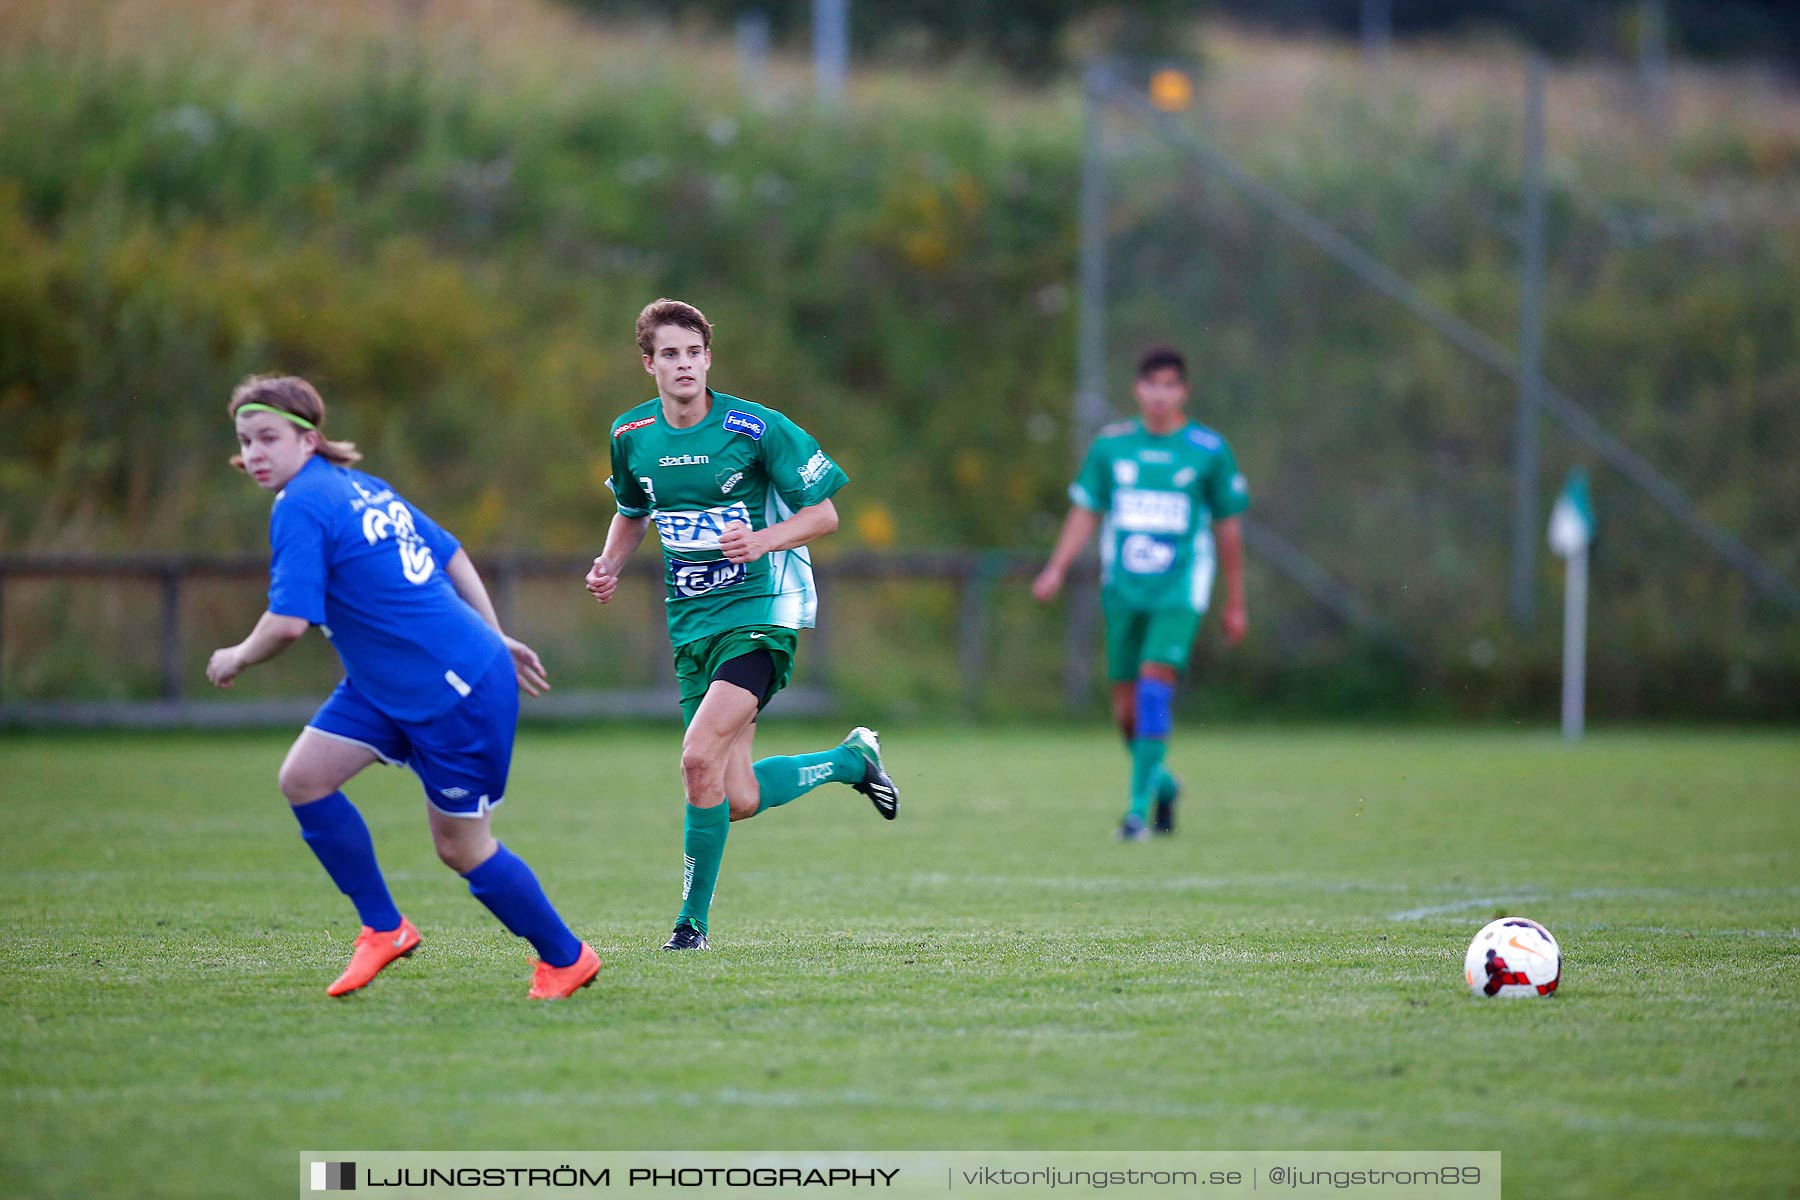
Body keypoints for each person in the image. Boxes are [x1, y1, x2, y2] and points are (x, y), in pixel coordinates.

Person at [205, 375, 599, 999]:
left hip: (454, 691)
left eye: (268, 438)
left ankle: (566, 957)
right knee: (304, 779)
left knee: (461, 848)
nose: (254, 453)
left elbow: (286, 624)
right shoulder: (361, 487)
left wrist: (236, 657)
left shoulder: (304, 503)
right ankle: (383, 929)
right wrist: (495, 634)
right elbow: (452, 554)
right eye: (245, 441)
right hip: (387, 683)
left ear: (308, 440)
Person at [585, 298, 898, 951]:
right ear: (649, 363)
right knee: (736, 796)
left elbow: (825, 515)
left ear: (708, 359)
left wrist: (762, 540)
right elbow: (632, 509)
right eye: (669, 354)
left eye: (693, 352)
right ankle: (850, 761)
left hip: (761, 610)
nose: (683, 365)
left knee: (697, 757)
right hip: (691, 622)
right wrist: (610, 563)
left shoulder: (755, 428)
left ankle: (689, 926)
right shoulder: (630, 435)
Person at [1032, 346, 1249, 841]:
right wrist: (1056, 569)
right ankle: (1163, 783)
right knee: (1125, 714)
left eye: (1170, 384)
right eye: (1152, 384)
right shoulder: (1112, 448)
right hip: (1124, 590)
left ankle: (1135, 813)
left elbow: (1228, 529)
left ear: (1183, 392)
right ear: (1138, 389)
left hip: (1180, 589)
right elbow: (1086, 511)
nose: (1160, 394)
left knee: (1154, 688)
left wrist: (1236, 601)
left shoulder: (1208, 450)